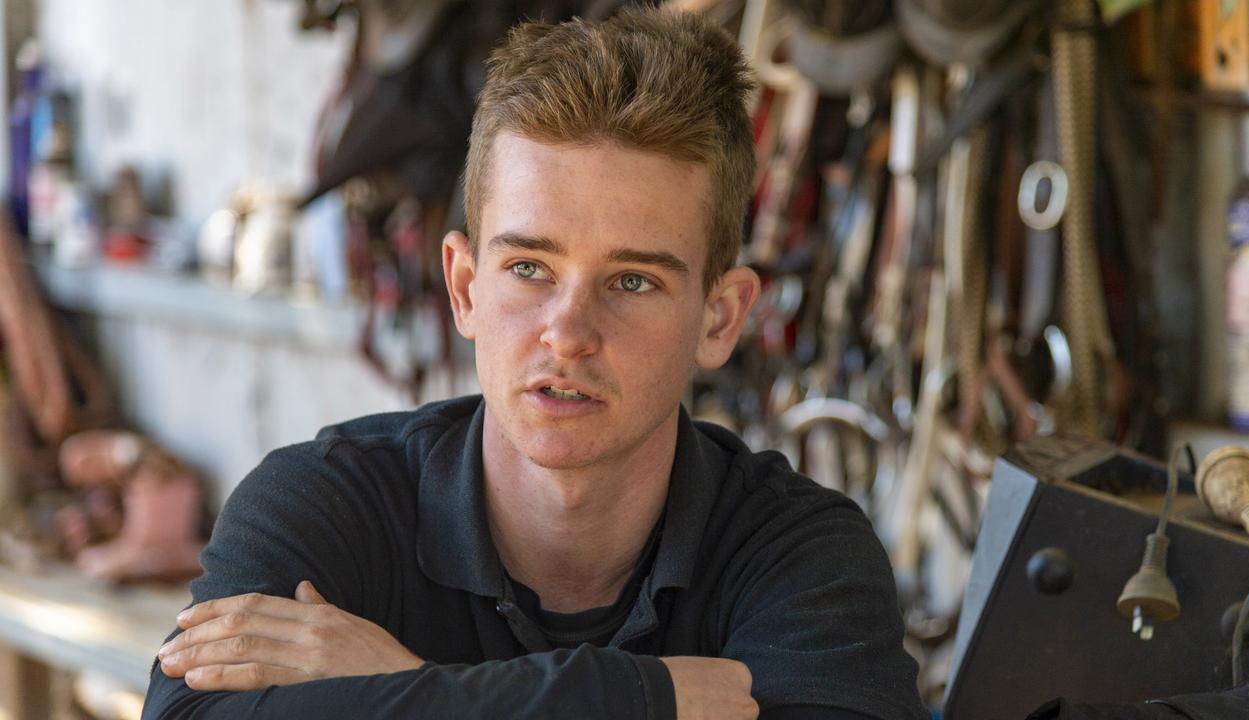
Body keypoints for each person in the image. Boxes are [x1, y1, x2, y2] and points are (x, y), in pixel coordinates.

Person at [142, 7, 927, 719]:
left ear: (719, 319)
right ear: (463, 287)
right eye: (529, 269)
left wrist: (400, 687)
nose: (569, 332)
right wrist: (643, 700)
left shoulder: (803, 558)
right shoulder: (321, 506)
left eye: (632, 281)